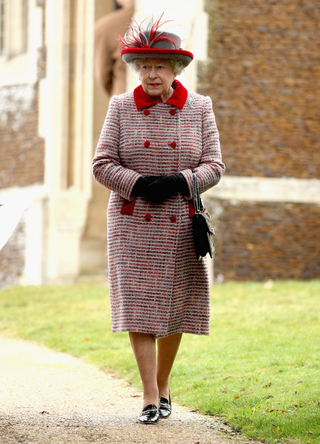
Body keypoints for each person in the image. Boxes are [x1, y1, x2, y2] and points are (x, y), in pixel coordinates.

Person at [92, 14, 225, 424]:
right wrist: (136, 184)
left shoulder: (200, 107)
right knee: (139, 308)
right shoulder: (120, 106)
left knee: (174, 308)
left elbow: (215, 166)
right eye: (145, 66)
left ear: (175, 70)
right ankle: (150, 394)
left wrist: (181, 180)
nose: (151, 74)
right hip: (133, 223)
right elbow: (101, 165)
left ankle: (164, 382)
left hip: (180, 223)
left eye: (160, 66)